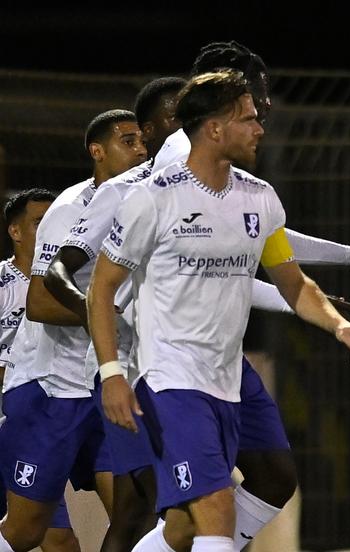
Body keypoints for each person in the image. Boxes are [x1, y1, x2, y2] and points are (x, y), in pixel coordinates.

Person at [87, 70, 350, 552]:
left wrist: (338, 324)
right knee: (216, 505)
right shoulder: (154, 199)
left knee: (185, 527)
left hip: (228, 378)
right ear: (214, 128)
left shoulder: (259, 198)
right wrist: (112, 374)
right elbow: (101, 290)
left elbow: (293, 283)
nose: (259, 129)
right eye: (248, 119)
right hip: (170, 379)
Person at [0, 109, 147, 552]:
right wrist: (113, 315)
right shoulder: (70, 208)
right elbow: (42, 302)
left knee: (135, 514)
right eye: (128, 140)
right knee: (32, 533)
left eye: (144, 141)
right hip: (51, 391)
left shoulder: (145, 206)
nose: (141, 150)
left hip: (104, 390)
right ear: (97, 151)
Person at [0, 189, 81, 552]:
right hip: (15, 414)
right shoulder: (3, 284)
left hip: (42, 415)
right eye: (39, 223)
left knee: (56, 539)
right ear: (15, 232)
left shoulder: (69, 284)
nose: (52, 229)